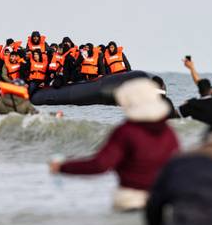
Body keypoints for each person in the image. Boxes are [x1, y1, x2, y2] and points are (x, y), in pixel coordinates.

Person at [49, 79, 180, 212]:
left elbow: (100, 164)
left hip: (131, 200)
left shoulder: (127, 131)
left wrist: (62, 167)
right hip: (162, 200)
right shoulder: (169, 132)